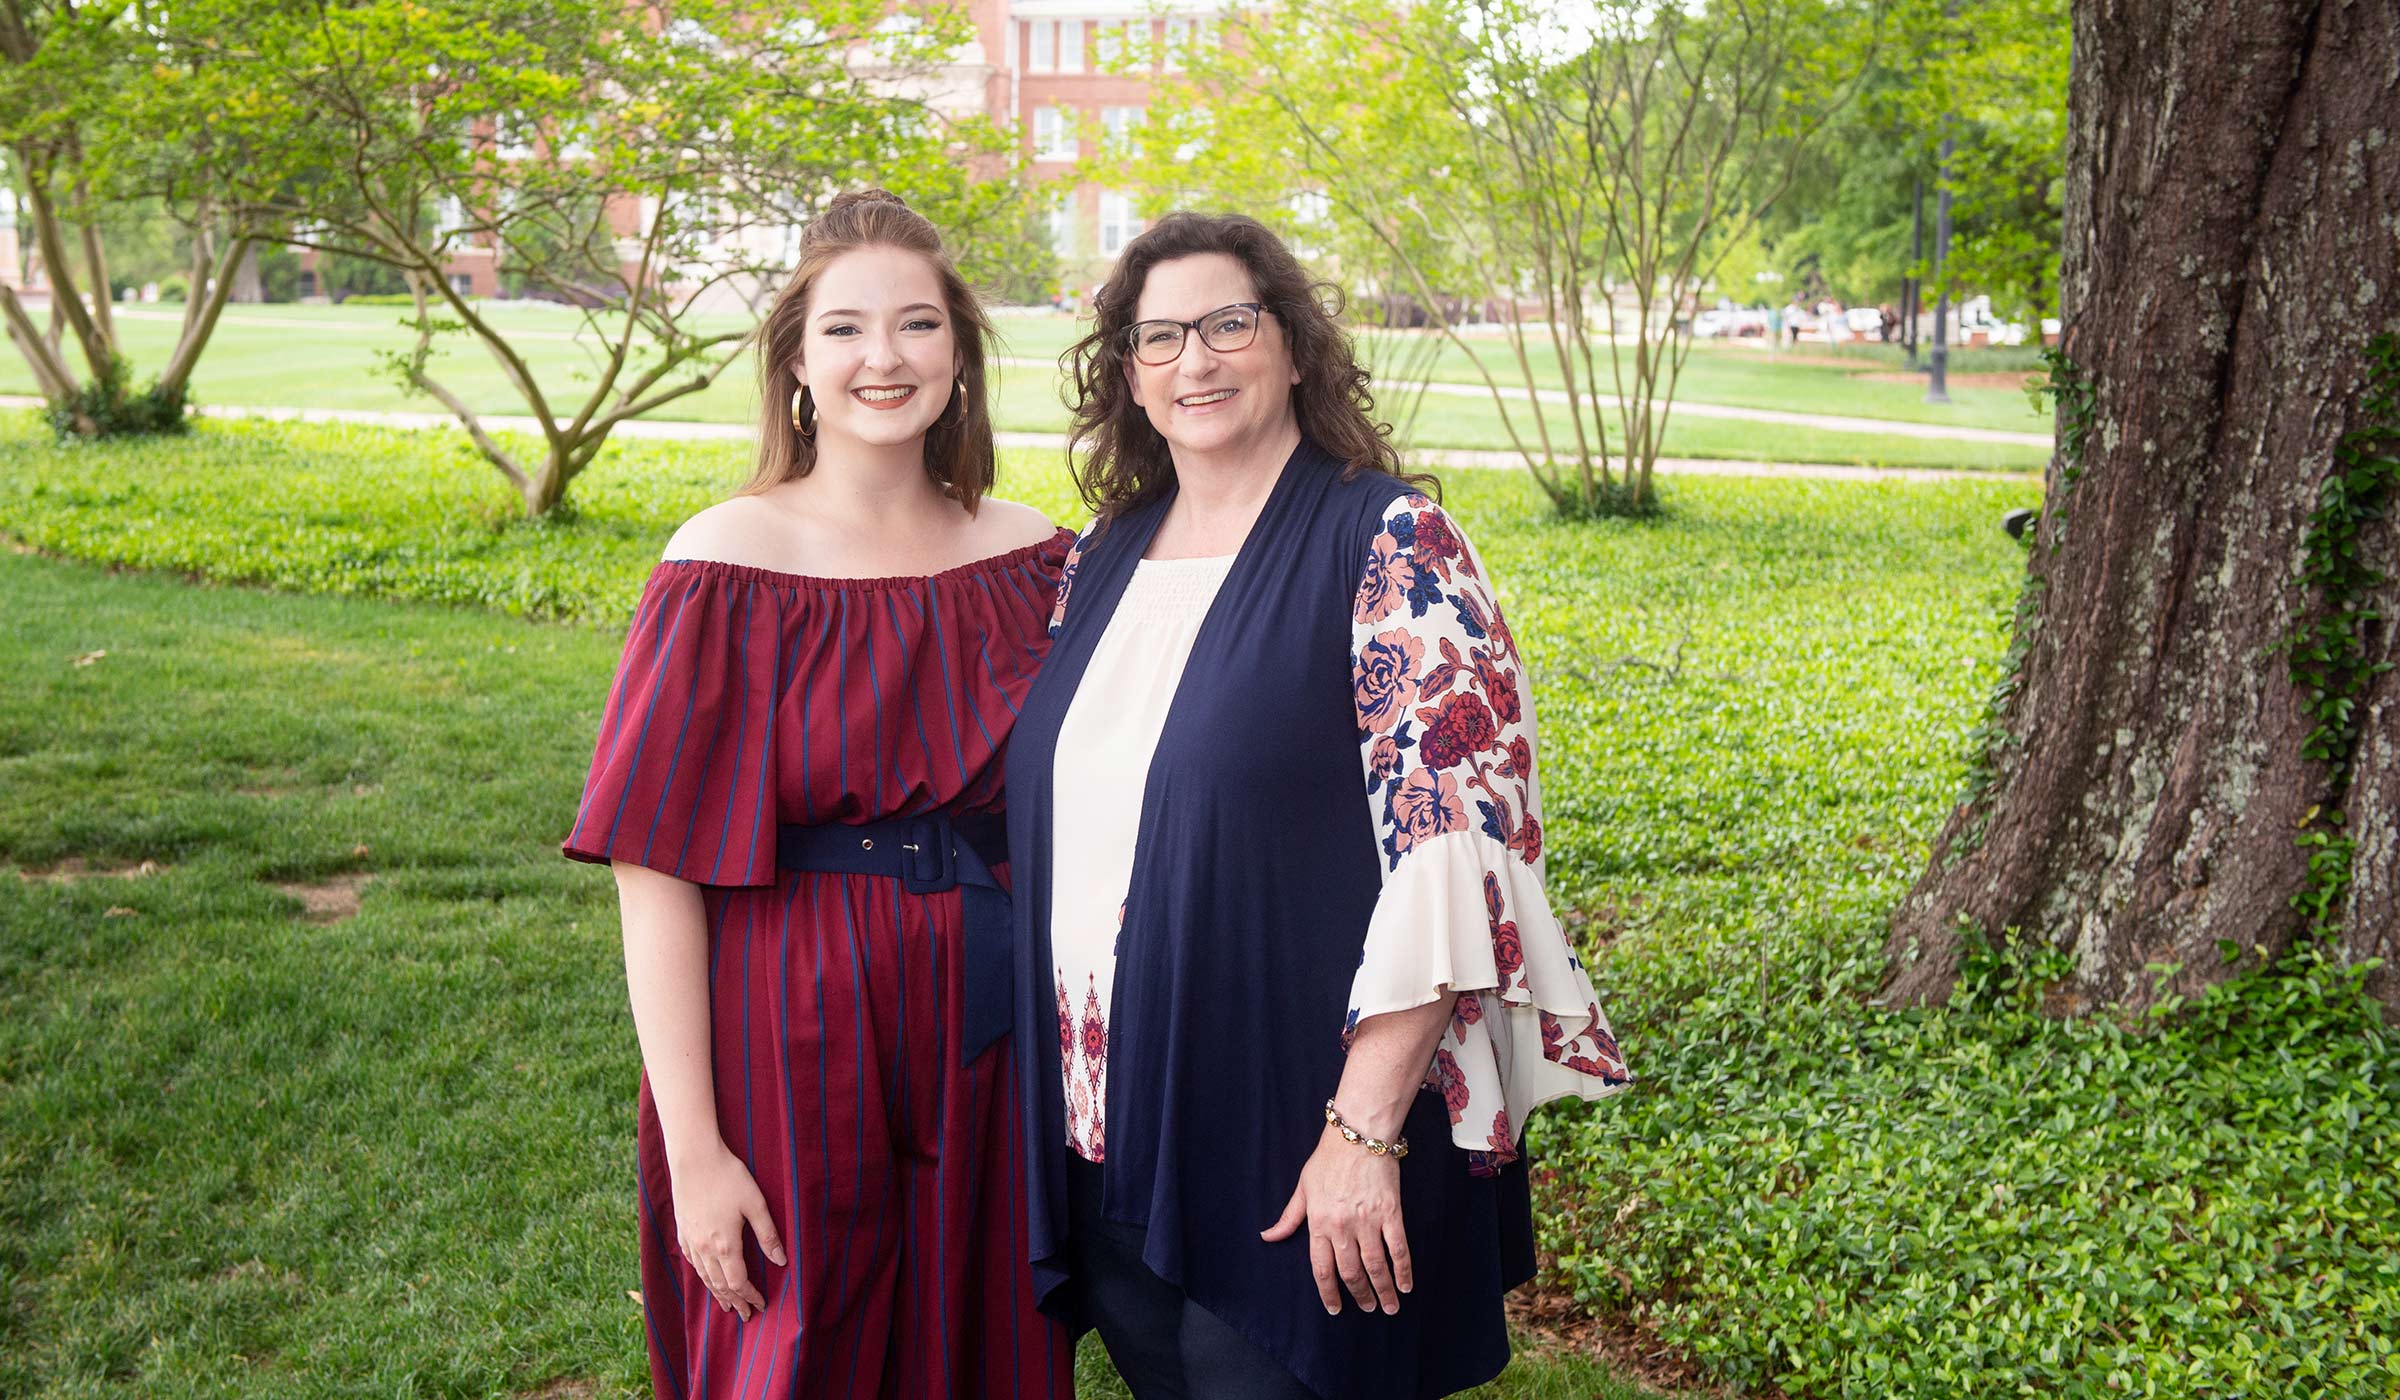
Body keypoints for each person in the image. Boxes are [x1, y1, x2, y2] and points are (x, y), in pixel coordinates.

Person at [1005, 211, 1631, 1398]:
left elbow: (1454, 855)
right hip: (1113, 1126)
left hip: (1304, 1128)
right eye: (1160, 337)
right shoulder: (1101, 558)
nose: (1196, 360)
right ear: (1128, 377)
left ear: (1293, 347)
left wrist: (1362, 1131)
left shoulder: (1389, 540)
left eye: (1229, 324)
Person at [563, 189, 1074, 1399]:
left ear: (960, 353)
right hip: (787, 1014)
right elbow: (655, 870)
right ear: (797, 359)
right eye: (845, 329)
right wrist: (695, 1148)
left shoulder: (1041, 556)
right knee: (796, 1347)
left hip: (988, 1014)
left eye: (916, 325)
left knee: (983, 1343)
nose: (883, 358)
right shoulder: (725, 563)